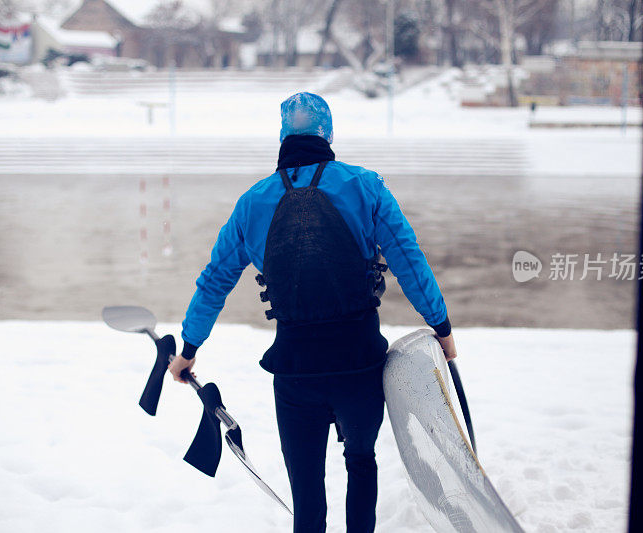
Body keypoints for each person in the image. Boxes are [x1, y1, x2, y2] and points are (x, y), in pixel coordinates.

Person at [169, 92, 455, 532]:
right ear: (328, 133)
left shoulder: (253, 202)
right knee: (361, 462)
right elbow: (408, 260)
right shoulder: (365, 185)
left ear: (283, 135)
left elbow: (215, 279)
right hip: (359, 364)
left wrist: (189, 347)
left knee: (307, 493)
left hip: (296, 371)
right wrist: (441, 326)